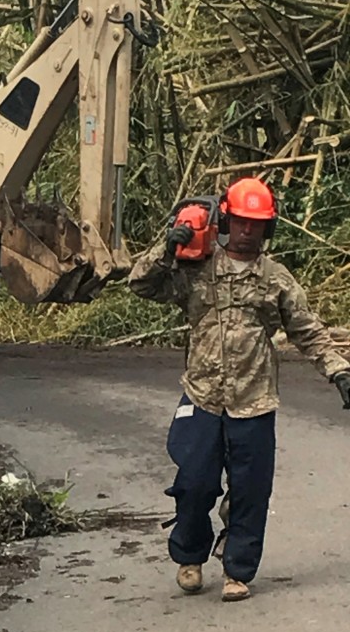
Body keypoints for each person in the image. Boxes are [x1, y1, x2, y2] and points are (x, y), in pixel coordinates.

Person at [129, 177, 350, 602]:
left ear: (268, 228)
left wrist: (339, 371)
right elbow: (141, 285)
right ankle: (190, 556)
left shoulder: (276, 280)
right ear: (228, 220)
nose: (249, 231)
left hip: (255, 399)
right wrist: (168, 246)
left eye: (257, 224)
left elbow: (309, 332)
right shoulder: (196, 267)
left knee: (250, 489)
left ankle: (237, 568)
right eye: (243, 222)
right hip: (202, 395)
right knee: (194, 481)